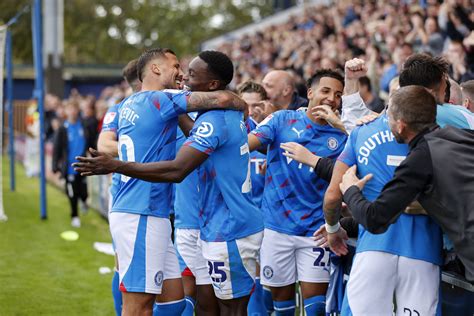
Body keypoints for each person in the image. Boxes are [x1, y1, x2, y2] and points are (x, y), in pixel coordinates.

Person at [74, 50, 262, 316]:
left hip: (156, 213)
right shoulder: (160, 100)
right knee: (138, 307)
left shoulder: (130, 104)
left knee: (174, 304)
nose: (182, 73)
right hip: (140, 212)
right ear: (155, 69)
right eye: (175, 66)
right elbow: (221, 97)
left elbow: (190, 129)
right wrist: (240, 103)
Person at [338, 85, 474, 284]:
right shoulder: (460, 135)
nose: (385, 123)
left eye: (388, 118)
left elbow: (374, 218)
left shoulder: (420, 159)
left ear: (400, 126)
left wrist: (350, 190)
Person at [247, 69, 347, 316]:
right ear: (310, 93)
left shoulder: (342, 136)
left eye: (338, 95)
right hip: (276, 228)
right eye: (326, 91)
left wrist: (343, 127)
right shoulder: (282, 120)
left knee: (315, 309)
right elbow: (246, 144)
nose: (331, 99)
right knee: (283, 309)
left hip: (315, 231)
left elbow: (353, 174)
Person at [99, 58, 142, 316]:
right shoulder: (119, 108)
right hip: (126, 195)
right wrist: (140, 149)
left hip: (169, 197)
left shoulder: (168, 105)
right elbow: (104, 145)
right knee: (122, 264)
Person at [237, 81, 272, 316]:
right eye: (246, 104)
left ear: (266, 105)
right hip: (238, 220)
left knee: (267, 287)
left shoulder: (272, 135)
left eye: (256, 104)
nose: (251, 110)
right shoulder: (229, 135)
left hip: (268, 221)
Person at [52, 99, 90, 228]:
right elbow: (57, 148)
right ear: (66, 111)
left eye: (74, 109)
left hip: (83, 166)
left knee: (84, 193)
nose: (72, 112)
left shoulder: (83, 125)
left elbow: (90, 142)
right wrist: (55, 165)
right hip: (69, 168)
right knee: (72, 193)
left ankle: (83, 201)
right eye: (70, 109)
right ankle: (74, 216)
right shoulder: (63, 129)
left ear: (77, 110)